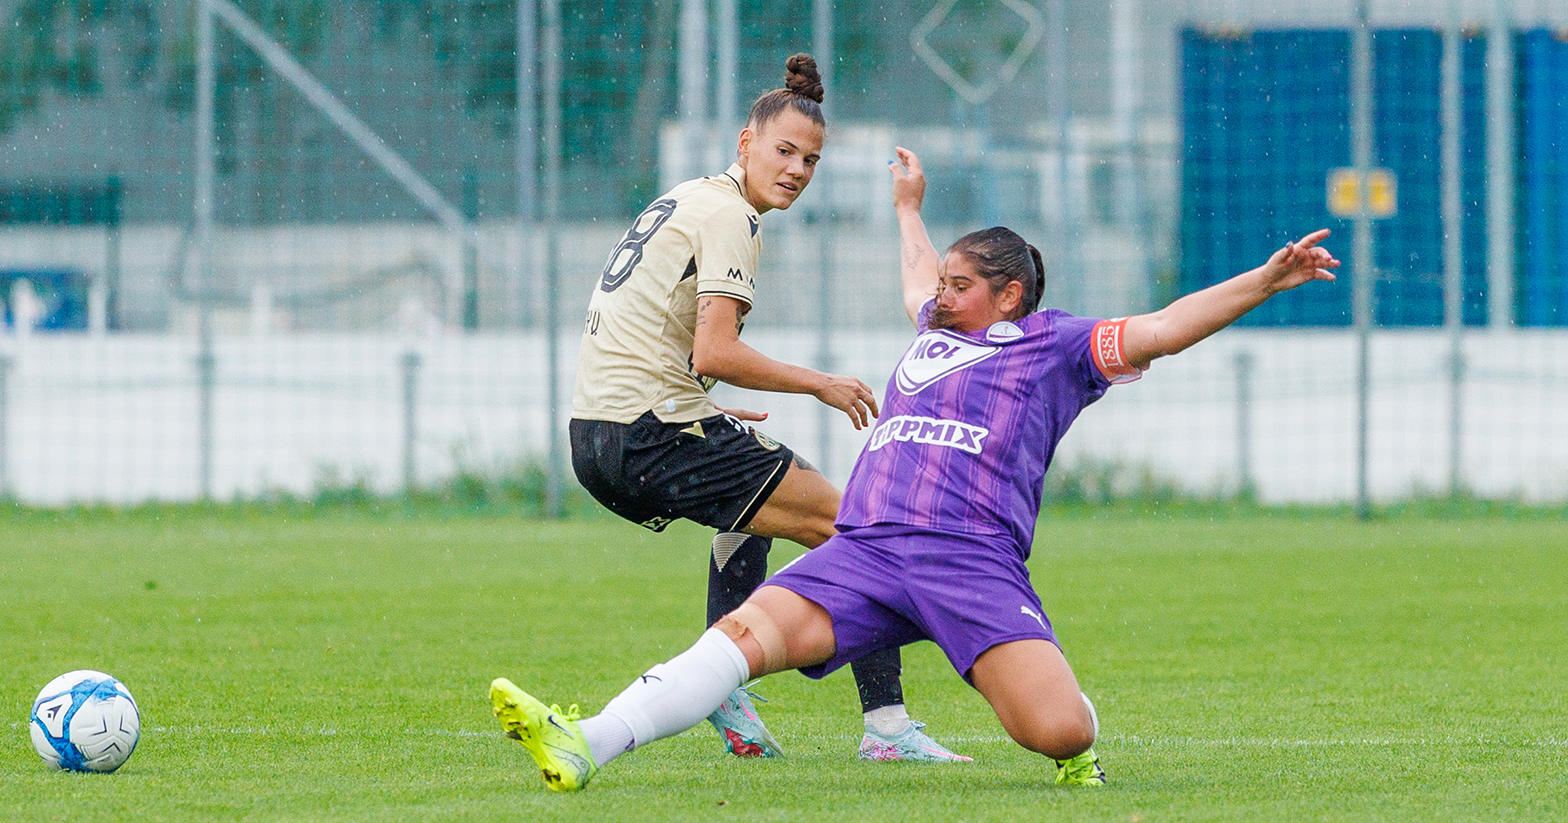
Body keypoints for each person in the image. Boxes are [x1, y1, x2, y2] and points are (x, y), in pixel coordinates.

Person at [495, 147, 1340, 792]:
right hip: (867, 549)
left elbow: (1164, 326)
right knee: (742, 638)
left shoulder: (1056, 344)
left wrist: (1265, 282)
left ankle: (1072, 732)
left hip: (969, 560)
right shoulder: (934, 329)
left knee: (1058, 732)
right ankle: (587, 740)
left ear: (1010, 295)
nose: (939, 293)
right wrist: (909, 210)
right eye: (942, 280)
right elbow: (916, 274)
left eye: (959, 284)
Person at [566, 55, 964, 762]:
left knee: (752, 512)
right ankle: (887, 727)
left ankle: (724, 688)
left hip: (598, 435)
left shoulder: (688, 198)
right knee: (857, 528)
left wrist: (704, 404)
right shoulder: (732, 217)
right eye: (784, 151)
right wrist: (818, 383)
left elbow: (665, 338)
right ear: (745, 142)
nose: (796, 170)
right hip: (651, 431)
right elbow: (716, 350)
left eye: (810, 160)